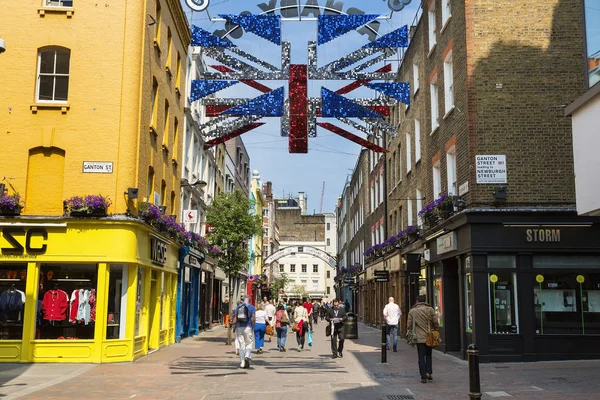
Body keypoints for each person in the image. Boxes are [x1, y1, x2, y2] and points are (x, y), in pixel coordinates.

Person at [407, 295, 439, 383]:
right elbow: (435, 322)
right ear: (425, 301)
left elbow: (409, 325)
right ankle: (429, 372)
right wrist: (436, 329)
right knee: (428, 355)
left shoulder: (412, 311)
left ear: (417, 301)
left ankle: (423, 376)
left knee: (421, 357)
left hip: (419, 337)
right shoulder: (430, 309)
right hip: (430, 337)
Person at [234, 295, 256, 369]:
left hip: (239, 327)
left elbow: (235, 318)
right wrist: (252, 327)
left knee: (241, 345)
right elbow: (253, 318)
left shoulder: (238, 307)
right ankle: (247, 355)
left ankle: (242, 362)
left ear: (243, 300)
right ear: (249, 300)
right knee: (249, 343)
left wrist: (234, 326)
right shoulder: (252, 307)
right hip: (248, 327)